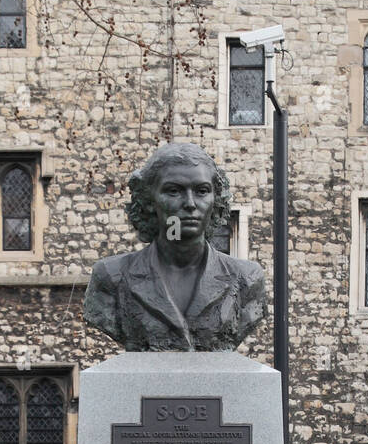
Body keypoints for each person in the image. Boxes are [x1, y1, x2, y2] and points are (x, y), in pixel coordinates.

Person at [83, 142, 267, 351]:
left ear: (215, 199)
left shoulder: (247, 279)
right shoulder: (110, 277)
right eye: (174, 191)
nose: (190, 203)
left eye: (202, 191)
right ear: (149, 200)